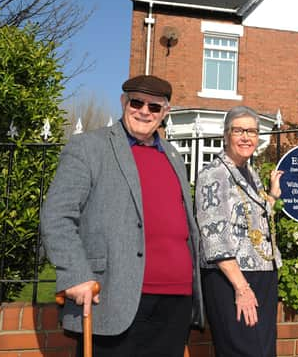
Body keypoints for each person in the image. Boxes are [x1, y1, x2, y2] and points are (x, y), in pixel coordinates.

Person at [41, 75, 203, 357]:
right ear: (123, 102)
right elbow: (57, 215)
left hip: (175, 299)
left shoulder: (174, 156)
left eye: (154, 107)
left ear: (165, 112)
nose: (144, 111)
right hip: (115, 296)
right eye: (137, 102)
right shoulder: (89, 147)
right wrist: (75, 274)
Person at [195, 105, 283, 357]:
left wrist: (272, 197)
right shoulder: (214, 174)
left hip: (260, 274)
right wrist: (241, 288)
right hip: (233, 278)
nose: (247, 137)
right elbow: (214, 238)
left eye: (252, 131)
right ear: (225, 135)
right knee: (245, 351)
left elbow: (249, 220)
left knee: (263, 351)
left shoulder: (251, 172)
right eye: (239, 130)